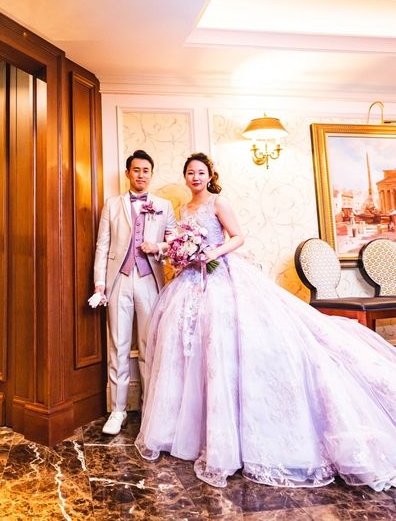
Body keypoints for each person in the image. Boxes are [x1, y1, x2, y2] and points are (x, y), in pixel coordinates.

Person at [135, 152, 396, 491]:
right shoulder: (183, 209)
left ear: (209, 175)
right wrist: (176, 251)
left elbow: (238, 237)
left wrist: (212, 252)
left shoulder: (218, 202)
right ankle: (190, 430)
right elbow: (178, 242)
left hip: (220, 274)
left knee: (223, 342)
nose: (195, 177)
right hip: (190, 280)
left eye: (200, 172)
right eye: (190, 173)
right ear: (185, 177)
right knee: (188, 347)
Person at [93, 149, 176, 435]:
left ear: (151, 174)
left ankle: (149, 408)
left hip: (150, 280)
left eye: (146, 171)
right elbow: (102, 246)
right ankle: (117, 411)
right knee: (118, 345)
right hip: (119, 280)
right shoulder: (112, 205)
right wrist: (99, 282)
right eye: (136, 170)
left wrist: (158, 247)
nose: (141, 175)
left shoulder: (164, 206)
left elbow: (174, 243)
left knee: (149, 345)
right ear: (128, 173)